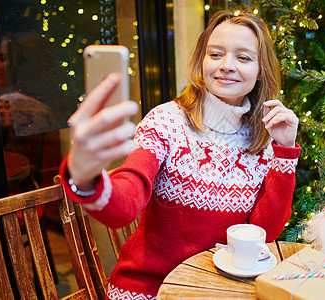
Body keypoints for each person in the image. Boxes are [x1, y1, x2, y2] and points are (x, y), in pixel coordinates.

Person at [59, 10, 301, 300]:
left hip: (219, 291)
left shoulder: (263, 138)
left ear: (261, 70)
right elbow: (125, 202)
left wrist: (285, 152)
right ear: (202, 61)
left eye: (244, 58)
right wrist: (88, 180)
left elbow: (265, 232)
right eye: (215, 54)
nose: (226, 66)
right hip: (150, 289)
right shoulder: (166, 122)